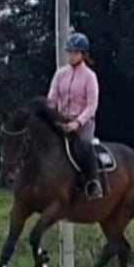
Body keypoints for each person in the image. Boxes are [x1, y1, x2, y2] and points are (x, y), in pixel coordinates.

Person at [46, 32, 103, 199]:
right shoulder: (60, 74)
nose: (71, 56)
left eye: (75, 52)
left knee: (84, 147)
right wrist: (50, 117)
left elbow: (92, 105)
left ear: (83, 54)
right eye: (69, 52)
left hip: (83, 123)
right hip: (61, 120)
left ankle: (93, 183)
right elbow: (52, 99)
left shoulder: (90, 77)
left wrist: (77, 123)